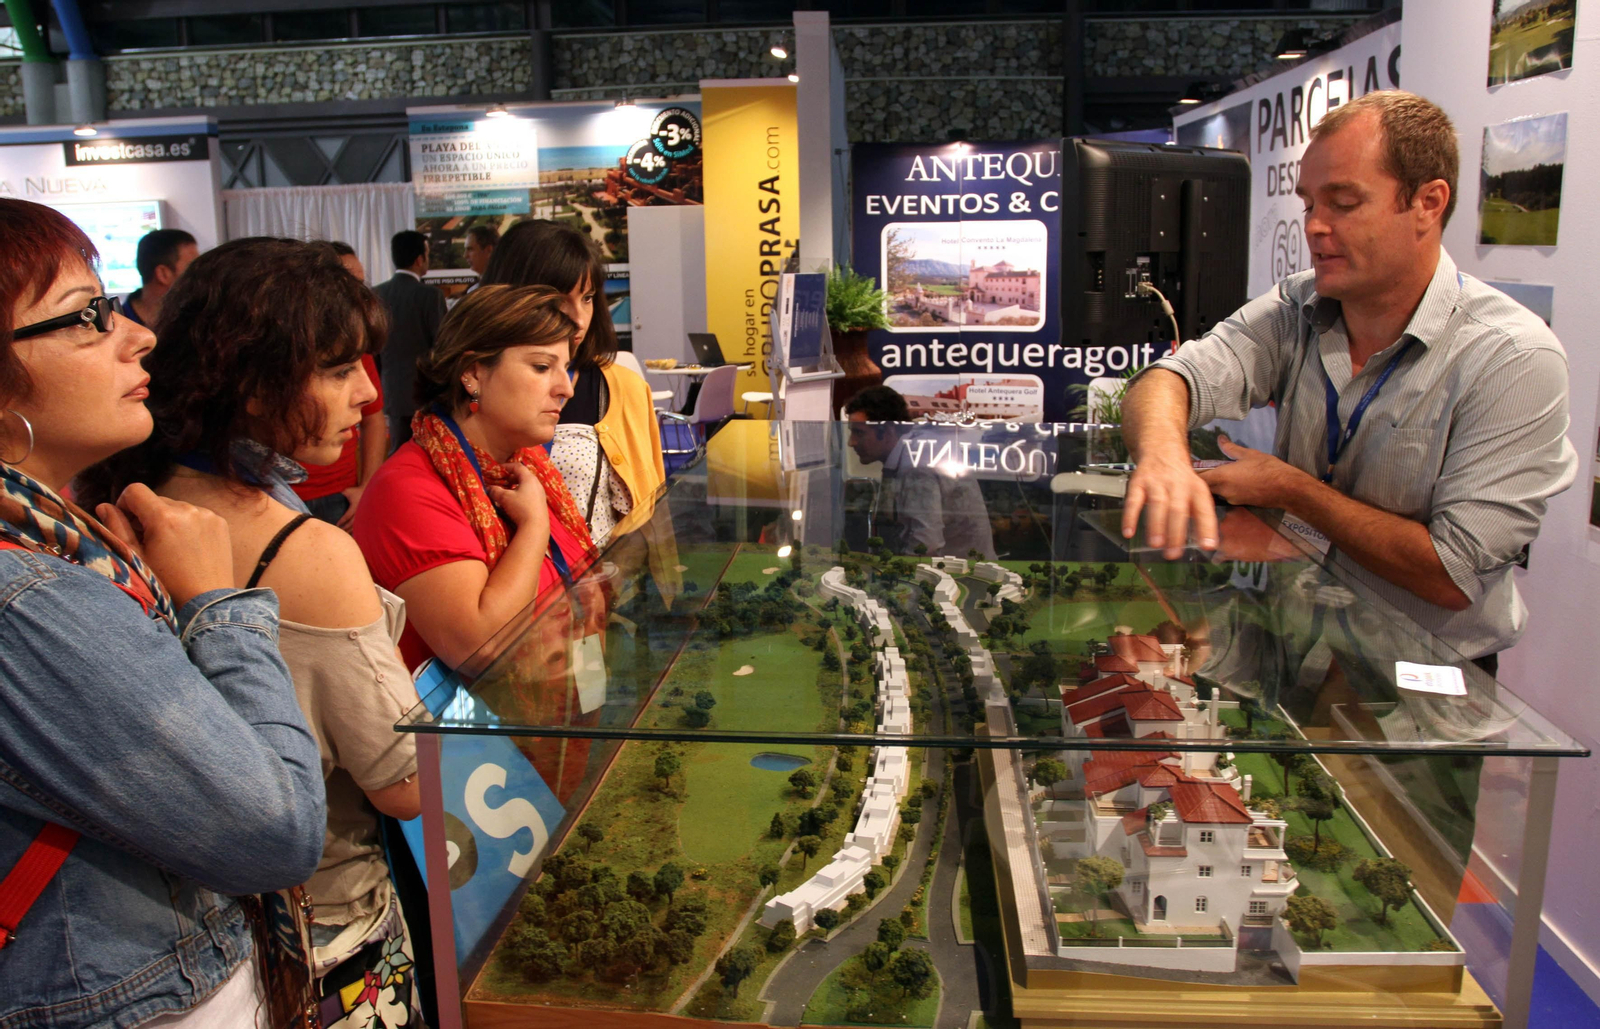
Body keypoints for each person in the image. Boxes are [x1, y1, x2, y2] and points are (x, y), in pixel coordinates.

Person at [81, 237, 427, 1028]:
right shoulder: (308, 550)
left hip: (196, 932)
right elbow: (402, 781)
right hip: (328, 926)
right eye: (339, 370)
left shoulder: (129, 499)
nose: (369, 394)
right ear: (255, 383)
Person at [0, 200, 325, 1027]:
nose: (137, 334)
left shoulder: (64, 544)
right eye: (85, 318)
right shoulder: (28, 599)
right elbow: (277, 828)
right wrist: (218, 604)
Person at [1120, 90, 1575, 667]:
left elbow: (1452, 575)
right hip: (1297, 647)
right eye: (1310, 204)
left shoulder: (1511, 357)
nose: (1316, 227)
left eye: (1344, 203)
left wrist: (1291, 491)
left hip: (1422, 685)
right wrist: (1163, 455)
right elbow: (1171, 379)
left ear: (1428, 203)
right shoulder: (1297, 305)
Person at [352, 283, 598, 672]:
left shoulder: (527, 466)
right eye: (541, 367)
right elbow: (482, 647)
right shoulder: (407, 490)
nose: (565, 388)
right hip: (476, 729)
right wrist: (534, 525)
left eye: (565, 367)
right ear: (472, 373)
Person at [479, 220, 665, 545]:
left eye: (588, 297)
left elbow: (647, 515)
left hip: (600, 581)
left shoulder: (623, 389)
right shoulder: (478, 393)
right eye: (560, 299)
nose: (578, 318)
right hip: (508, 581)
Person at [294, 242, 388, 528]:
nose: (365, 392)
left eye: (361, 285)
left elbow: (374, 419)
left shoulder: (358, 346)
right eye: (340, 371)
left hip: (340, 492)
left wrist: (367, 487)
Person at [845, 384, 996, 561]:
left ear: (888, 430)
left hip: (961, 574)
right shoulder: (914, 447)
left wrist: (899, 575)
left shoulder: (916, 466)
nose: (851, 442)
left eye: (859, 433)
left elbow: (926, 545)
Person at [374, 230, 446, 449]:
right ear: (419, 259)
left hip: (391, 391)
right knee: (430, 453)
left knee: (397, 452)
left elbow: (373, 348)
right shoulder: (430, 295)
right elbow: (442, 346)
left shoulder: (376, 294)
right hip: (426, 394)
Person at [122, 227, 198, 327]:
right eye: (192, 267)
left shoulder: (197, 319)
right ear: (163, 274)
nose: (199, 273)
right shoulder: (115, 328)